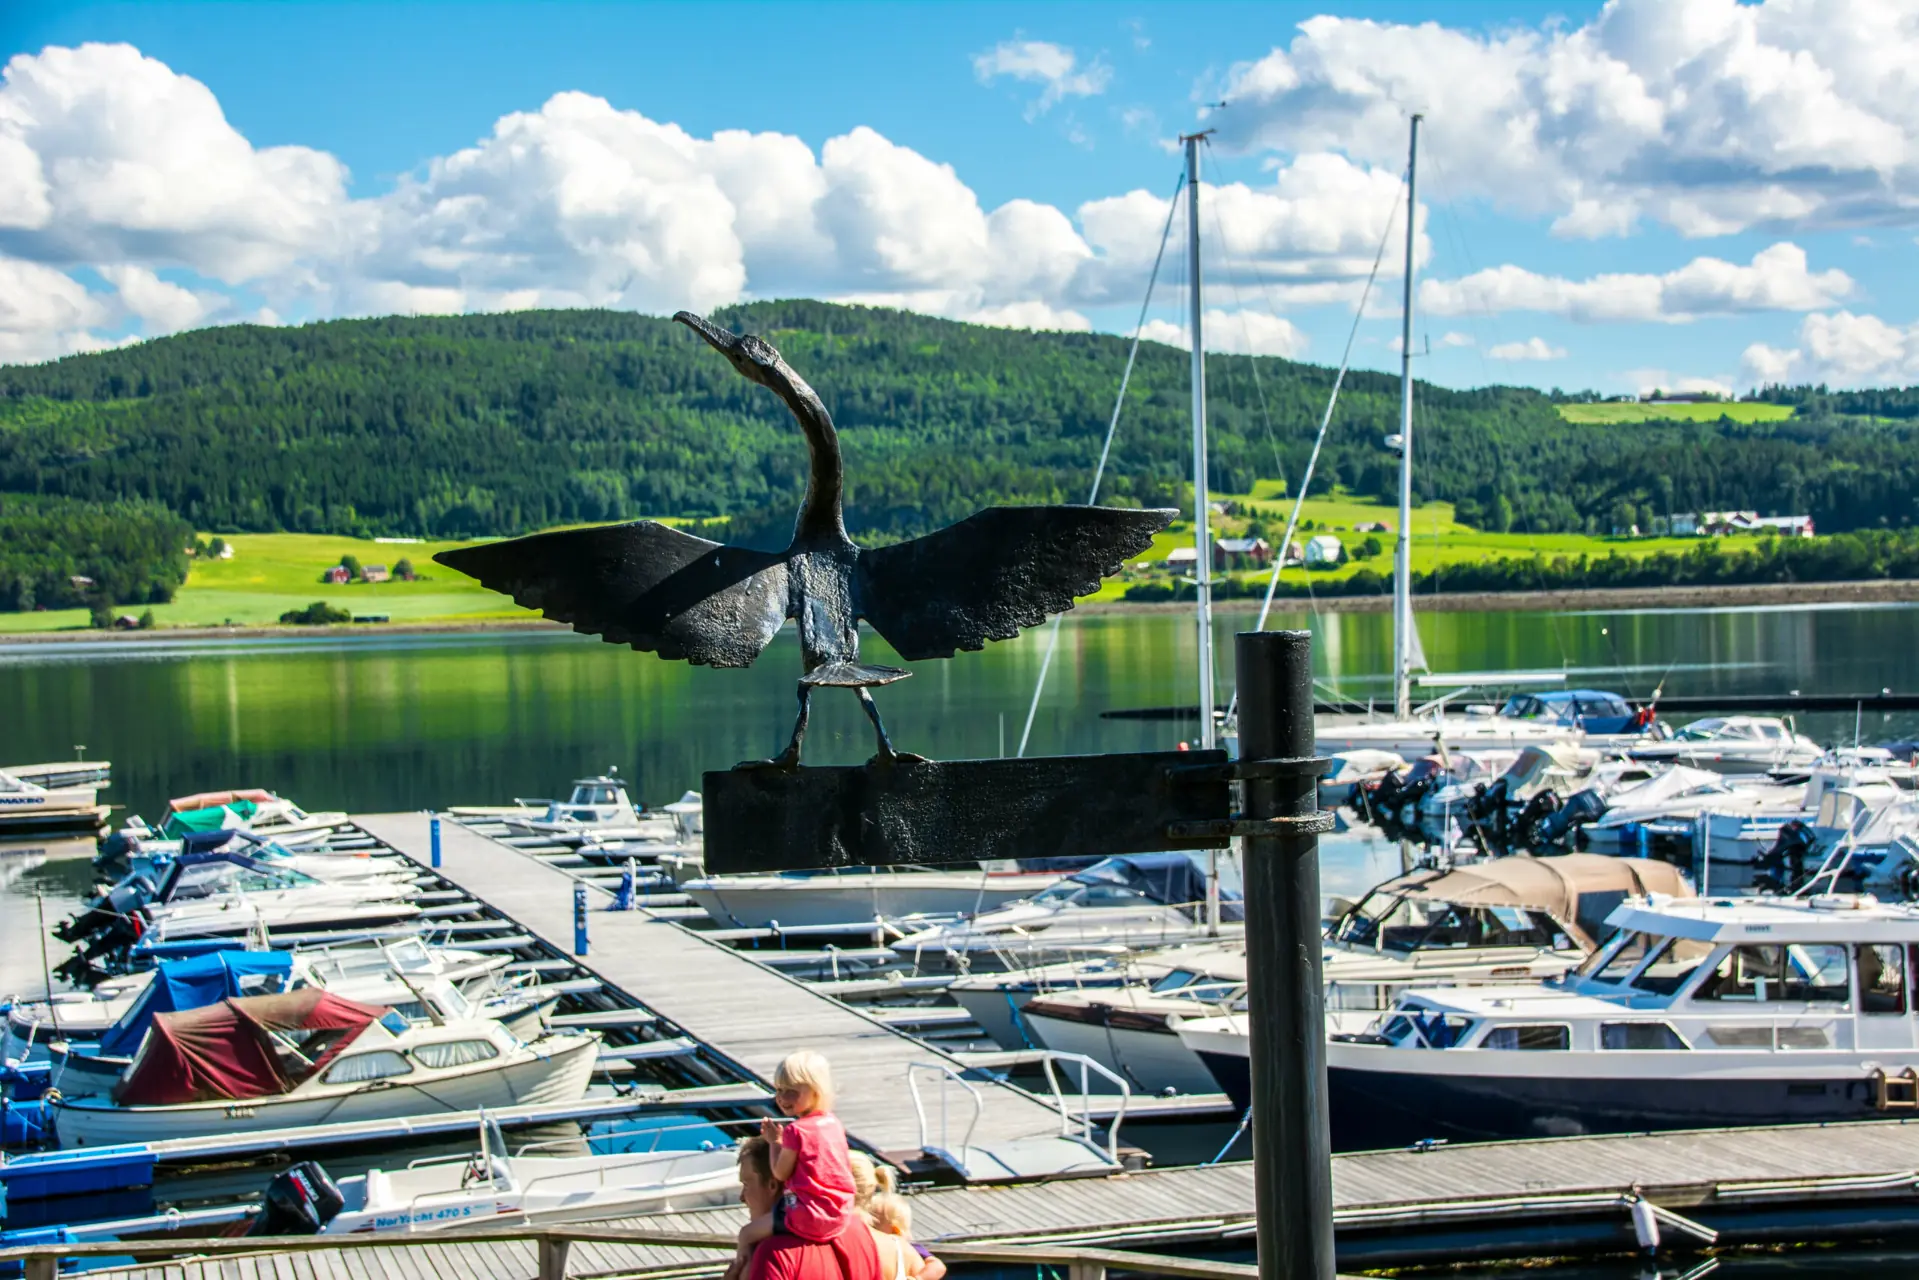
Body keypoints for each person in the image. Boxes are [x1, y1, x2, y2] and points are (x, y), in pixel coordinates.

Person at [737, 1050, 856, 1257]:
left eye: (791, 1092)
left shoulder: (795, 1131)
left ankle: (741, 1267)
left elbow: (780, 1173)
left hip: (809, 1215)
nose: (782, 1098)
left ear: (815, 1091)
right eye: (779, 1090)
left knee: (746, 1234)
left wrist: (774, 1142)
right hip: (840, 1212)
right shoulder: (833, 1124)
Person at [732, 1137, 880, 1280]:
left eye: (746, 1185)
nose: (742, 1197)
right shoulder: (859, 1232)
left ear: (772, 1185)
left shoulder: (774, 1253)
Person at [847, 1152, 944, 1280]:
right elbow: (937, 1266)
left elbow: (937, 1265)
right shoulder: (907, 1252)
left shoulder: (910, 1247)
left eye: (874, 1226)